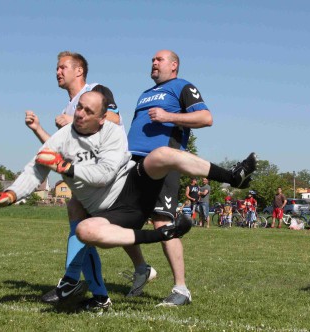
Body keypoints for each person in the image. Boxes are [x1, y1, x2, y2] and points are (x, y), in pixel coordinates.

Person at [0, 91, 258, 310]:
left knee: (161, 154)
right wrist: (9, 195)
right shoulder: (61, 139)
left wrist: (68, 168)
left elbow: (104, 175)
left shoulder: (112, 133)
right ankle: (164, 233)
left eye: (88, 111)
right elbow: (36, 169)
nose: (80, 114)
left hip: (131, 186)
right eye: (79, 108)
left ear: (102, 118)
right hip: (112, 212)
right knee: (85, 231)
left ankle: (233, 176)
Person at [24, 51, 123, 307]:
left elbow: (115, 118)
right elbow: (56, 149)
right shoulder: (70, 107)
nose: (57, 72)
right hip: (84, 178)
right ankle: (98, 295)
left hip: (104, 175)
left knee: (80, 219)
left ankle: (71, 282)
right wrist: (38, 129)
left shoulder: (95, 91)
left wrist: (73, 119)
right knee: (80, 225)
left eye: (62, 67)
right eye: (56, 68)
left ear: (79, 70)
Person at [125, 49, 219, 306]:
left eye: (159, 59)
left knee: (162, 224)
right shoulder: (144, 94)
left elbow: (206, 118)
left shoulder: (182, 87)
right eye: (152, 60)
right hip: (133, 164)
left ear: (174, 65)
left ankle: (181, 289)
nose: (153, 62)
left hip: (164, 164)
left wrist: (169, 116)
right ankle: (142, 269)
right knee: (121, 222)